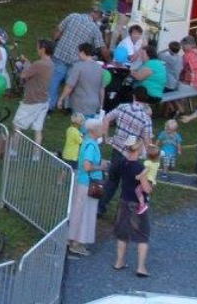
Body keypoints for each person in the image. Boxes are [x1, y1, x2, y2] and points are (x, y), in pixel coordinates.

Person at [111, 135, 152, 277]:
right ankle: (141, 267)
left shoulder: (122, 163)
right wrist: (145, 178)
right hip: (137, 204)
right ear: (139, 149)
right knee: (142, 234)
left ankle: (119, 262)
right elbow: (146, 189)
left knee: (122, 233)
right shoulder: (140, 167)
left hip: (124, 201)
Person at [50, 4, 105, 106]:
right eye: (101, 17)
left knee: (54, 81)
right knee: (71, 84)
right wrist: (109, 59)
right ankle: (66, 106)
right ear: (97, 15)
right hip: (76, 61)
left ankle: (49, 105)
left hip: (60, 54)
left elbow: (58, 31)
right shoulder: (95, 29)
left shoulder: (72, 16)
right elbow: (101, 48)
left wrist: (53, 44)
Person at [66, 116, 104, 258]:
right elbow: (87, 165)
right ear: (93, 130)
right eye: (100, 128)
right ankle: (76, 242)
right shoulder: (91, 145)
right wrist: (102, 166)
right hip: (87, 183)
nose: (103, 130)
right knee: (83, 212)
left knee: (80, 210)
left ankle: (74, 240)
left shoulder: (88, 143)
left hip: (84, 182)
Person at [14, 39, 54, 149]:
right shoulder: (51, 64)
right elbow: (36, 70)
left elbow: (23, 75)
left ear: (43, 49)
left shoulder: (38, 64)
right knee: (38, 129)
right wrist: (27, 62)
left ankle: (13, 150)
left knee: (18, 125)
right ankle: (36, 155)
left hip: (31, 100)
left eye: (38, 47)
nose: (37, 49)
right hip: (44, 101)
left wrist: (21, 66)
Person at [58, 43, 106, 119]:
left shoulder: (78, 66)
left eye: (79, 52)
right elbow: (102, 89)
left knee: (78, 128)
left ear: (83, 53)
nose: (78, 54)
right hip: (94, 104)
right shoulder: (100, 69)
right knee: (89, 128)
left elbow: (70, 86)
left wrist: (61, 98)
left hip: (80, 104)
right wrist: (101, 104)